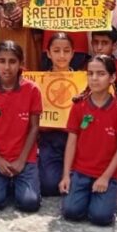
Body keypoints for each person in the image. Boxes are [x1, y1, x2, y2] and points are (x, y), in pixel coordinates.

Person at [59, 55, 117, 226]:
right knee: (71, 212)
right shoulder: (78, 107)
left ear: (112, 77)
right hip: (81, 172)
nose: (95, 78)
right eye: (90, 73)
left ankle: (107, 198)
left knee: (100, 218)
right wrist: (66, 175)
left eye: (101, 74)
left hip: (108, 175)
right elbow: (71, 142)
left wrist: (105, 178)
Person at [0, 41, 42, 212]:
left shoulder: (32, 90)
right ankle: (2, 183)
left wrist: (22, 160)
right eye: (2, 61)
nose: (7, 67)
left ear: (21, 63)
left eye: (12, 61)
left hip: (24, 158)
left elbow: (34, 127)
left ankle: (18, 184)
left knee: (29, 203)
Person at [38, 33, 76, 197]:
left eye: (66, 51)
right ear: (48, 53)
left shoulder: (82, 80)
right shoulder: (39, 80)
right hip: (50, 137)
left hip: (75, 139)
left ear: (73, 53)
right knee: (48, 186)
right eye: (56, 50)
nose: (61, 56)